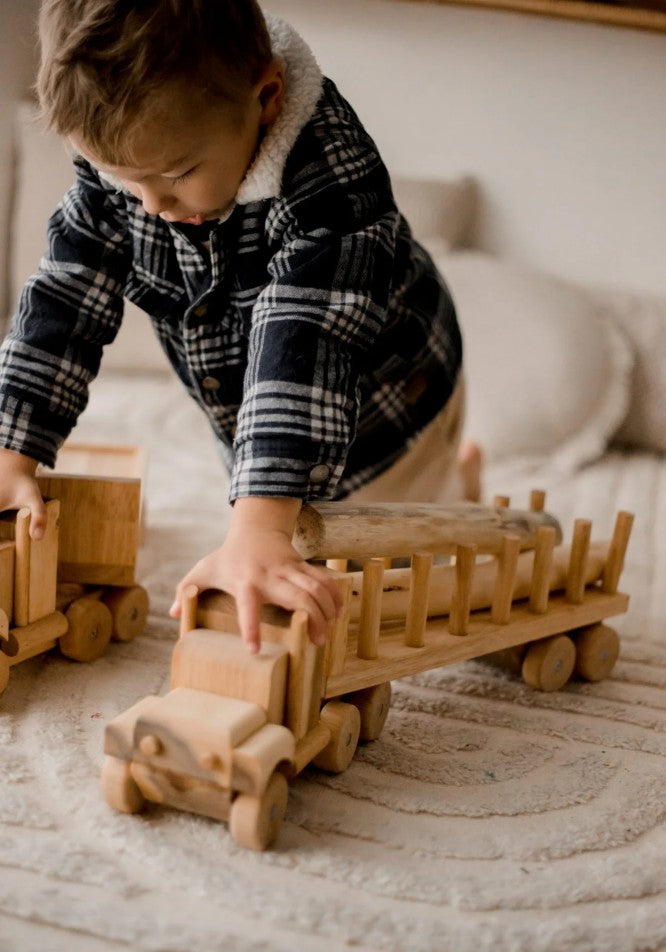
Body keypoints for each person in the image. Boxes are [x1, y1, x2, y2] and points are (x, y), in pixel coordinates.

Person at [0, 0, 480, 654]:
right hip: (254, 400)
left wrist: (258, 528)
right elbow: (65, 294)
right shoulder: (129, 166)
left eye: (176, 174)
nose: (151, 205)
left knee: (390, 556)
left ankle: (459, 487)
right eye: (121, 179)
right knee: (289, 528)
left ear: (267, 99)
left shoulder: (332, 185)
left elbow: (302, 345)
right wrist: (12, 448)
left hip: (392, 401)